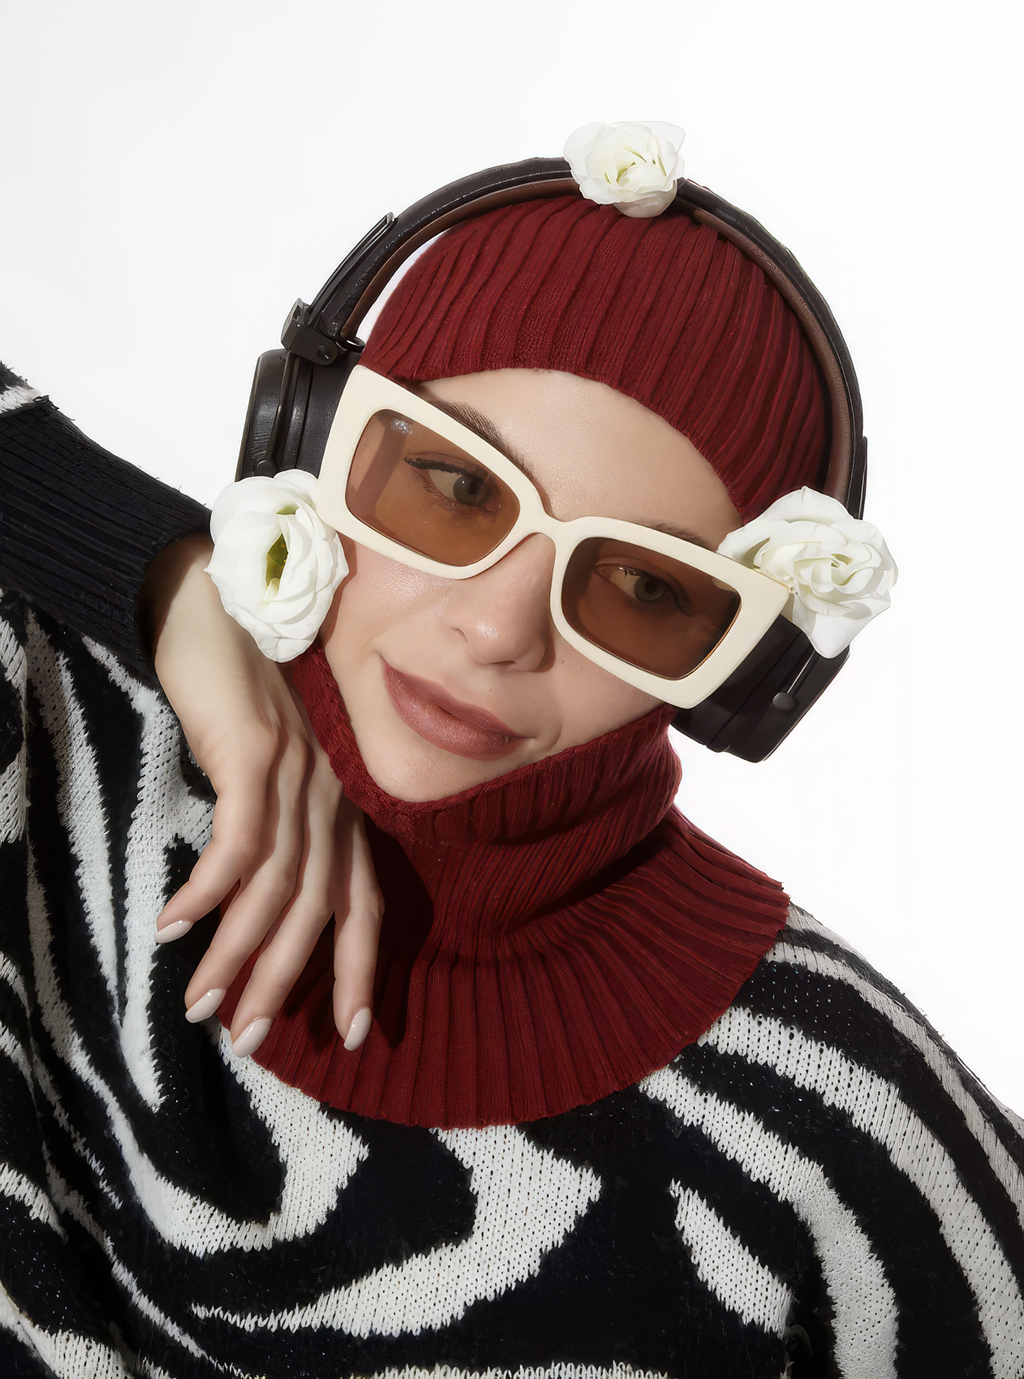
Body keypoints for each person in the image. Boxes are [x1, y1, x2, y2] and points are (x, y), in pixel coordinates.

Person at [1, 124, 1022, 1379]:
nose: (493, 626)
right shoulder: (46, 728)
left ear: (744, 675)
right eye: (455, 487)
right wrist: (171, 578)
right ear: (305, 438)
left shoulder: (834, 1113)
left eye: (643, 586)